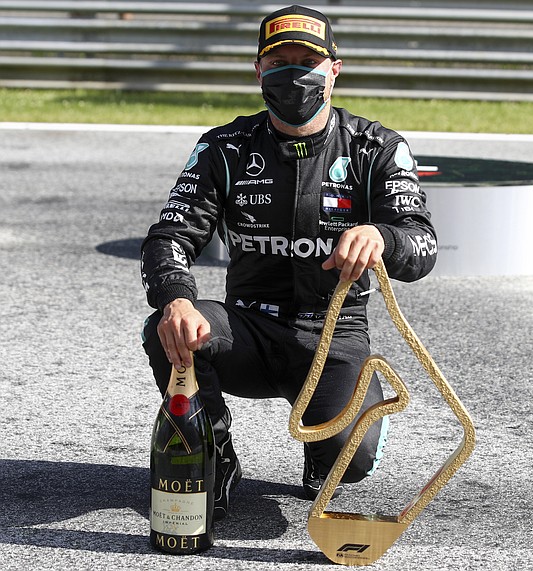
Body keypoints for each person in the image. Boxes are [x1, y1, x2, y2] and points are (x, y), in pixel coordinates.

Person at [140, 4, 437, 520]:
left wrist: (382, 236)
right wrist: (176, 299)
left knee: (350, 461)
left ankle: (327, 449)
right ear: (259, 71)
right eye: (280, 62)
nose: (294, 74)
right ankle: (215, 455)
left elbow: (422, 244)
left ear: (334, 70)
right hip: (248, 328)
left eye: (308, 61)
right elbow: (168, 235)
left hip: (334, 334)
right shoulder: (224, 146)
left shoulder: (378, 148)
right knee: (167, 327)